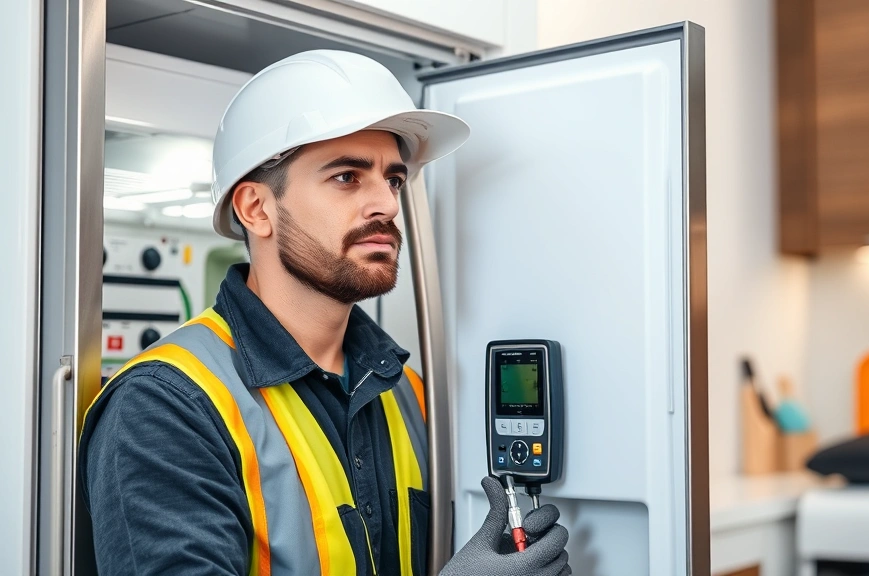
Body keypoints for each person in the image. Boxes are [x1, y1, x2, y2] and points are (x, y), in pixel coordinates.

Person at [78, 50, 571, 576]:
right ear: (256, 209)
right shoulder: (164, 406)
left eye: (394, 179)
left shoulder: (407, 392)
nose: (385, 203)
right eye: (346, 177)